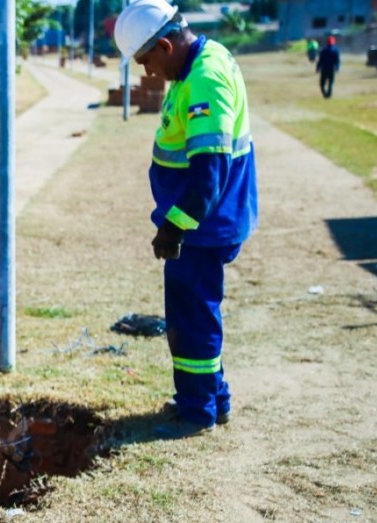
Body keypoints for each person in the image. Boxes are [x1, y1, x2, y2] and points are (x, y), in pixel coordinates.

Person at [114, 0, 258, 439]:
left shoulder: (205, 79)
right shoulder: (200, 61)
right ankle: (217, 398)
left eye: (146, 61)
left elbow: (208, 175)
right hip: (201, 224)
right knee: (198, 314)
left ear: (164, 45)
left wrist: (174, 225)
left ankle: (196, 412)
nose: (147, 73)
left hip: (200, 228)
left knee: (191, 320)